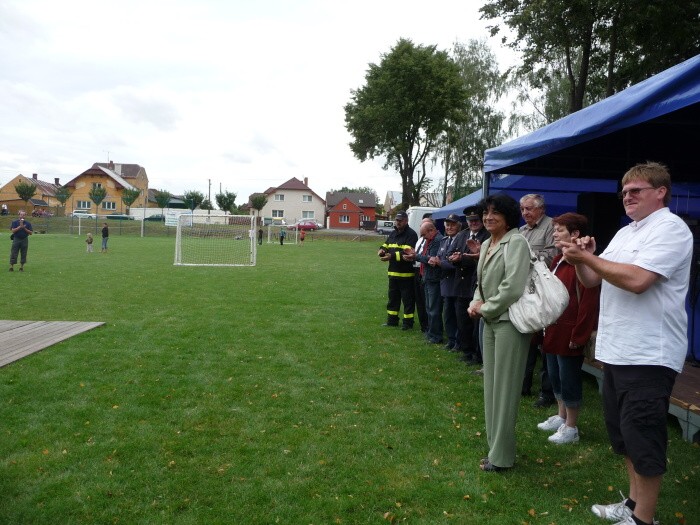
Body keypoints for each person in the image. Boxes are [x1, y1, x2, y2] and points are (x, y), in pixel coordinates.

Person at [561, 162, 692, 525]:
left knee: (644, 436)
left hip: (649, 353)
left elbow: (638, 280)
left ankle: (643, 519)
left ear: (660, 191)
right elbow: (591, 281)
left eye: (636, 190)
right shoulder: (626, 233)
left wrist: (589, 257)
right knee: (625, 436)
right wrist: (580, 255)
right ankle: (633, 506)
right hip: (618, 349)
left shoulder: (670, 228)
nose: (627, 197)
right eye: (624, 192)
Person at [468, 194, 532, 472]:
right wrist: (475, 303)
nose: (488, 217)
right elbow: (480, 284)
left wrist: (486, 308)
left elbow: (513, 286)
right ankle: (495, 449)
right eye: (485, 212)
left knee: (505, 391)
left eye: (495, 212)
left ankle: (502, 457)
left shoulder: (516, 242)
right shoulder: (486, 244)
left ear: (507, 216)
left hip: (509, 323)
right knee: (491, 388)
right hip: (491, 321)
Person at [537, 213, 599, 445]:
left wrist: (580, 334)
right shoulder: (557, 260)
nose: (554, 234)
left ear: (575, 234)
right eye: (554, 229)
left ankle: (571, 427)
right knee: (555, 374)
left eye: (559, 230)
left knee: (569, 377)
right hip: (553, 329)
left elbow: (588, 301)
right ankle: (561, 415)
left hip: (570, 331)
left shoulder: (582, 261)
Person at [519, 193, 557, 407]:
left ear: (541, 209)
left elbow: (552, 255)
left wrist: (526, 257)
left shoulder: (552, 226)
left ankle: (547, 392)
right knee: (527, 339)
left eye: (529, 209)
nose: (525, 213)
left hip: (546, 292)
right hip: (527, 292)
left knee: (546, 344)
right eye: (523, 209)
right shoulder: (522, 231)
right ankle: (523, 385)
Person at [448, 206, 490, 364]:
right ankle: (466, 351)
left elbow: (484, 259)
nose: (473, 223)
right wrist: (452, 257)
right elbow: (450, 252)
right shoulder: (462, 234)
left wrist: (462, 258)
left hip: (476, 284)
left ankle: (478, 355)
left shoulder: (487, 235)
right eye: (470, 220)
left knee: (476, 323)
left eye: (476, 220)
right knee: (462, 321)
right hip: (460, 284)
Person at [430, 214, 466, 352]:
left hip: (457, 284)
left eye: (453, 224)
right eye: (448, 224)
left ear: (459, 225)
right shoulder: (445, 240)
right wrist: (435, 260)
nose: (450, 227)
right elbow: (440, 257)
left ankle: (458, 342)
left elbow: (457, 263)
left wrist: (440, 263)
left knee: (458, 316)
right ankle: (451, 340)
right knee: (448, 315)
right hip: (445, 283)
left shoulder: (463, 240)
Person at [378, 211, 418, 330]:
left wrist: (391, 256)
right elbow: (386, 245)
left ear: (406, 221)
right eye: (397, 220)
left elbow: (408, 252)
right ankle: (392, 321)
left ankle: (408, 323)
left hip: (406, 274)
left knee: (407, 300)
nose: (398, 222)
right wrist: (381, 250)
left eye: (400, 220)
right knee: (393, 299)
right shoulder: (393, 233)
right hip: (393, 273)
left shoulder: (411, 234)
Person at [408, 220, 443, 344]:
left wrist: (415, 256)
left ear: (431, 230)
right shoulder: (430, 240)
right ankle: (431, 333)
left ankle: (436, 335)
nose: (422, 237)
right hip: (428, 278)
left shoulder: (438, 240)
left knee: (433, 309)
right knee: (429, 308)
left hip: (434, 279)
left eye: (423, 234)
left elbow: (432, 260)